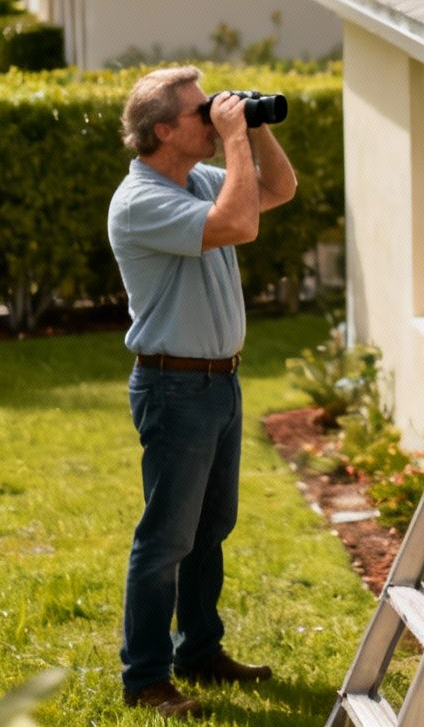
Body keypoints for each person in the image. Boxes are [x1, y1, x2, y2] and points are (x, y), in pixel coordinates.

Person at [108, 66, 297, 718]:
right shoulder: (143, 201)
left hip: (219, 384)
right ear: (163, 131)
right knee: (166, 538)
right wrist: (235, 139)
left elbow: (279, 189)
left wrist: (254, 124)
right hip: (175, 386)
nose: (211, 118)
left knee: (211, 528)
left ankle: (200, 652)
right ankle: (146, 680)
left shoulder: (198, 180)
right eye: (200, 113)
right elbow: (241, 224)